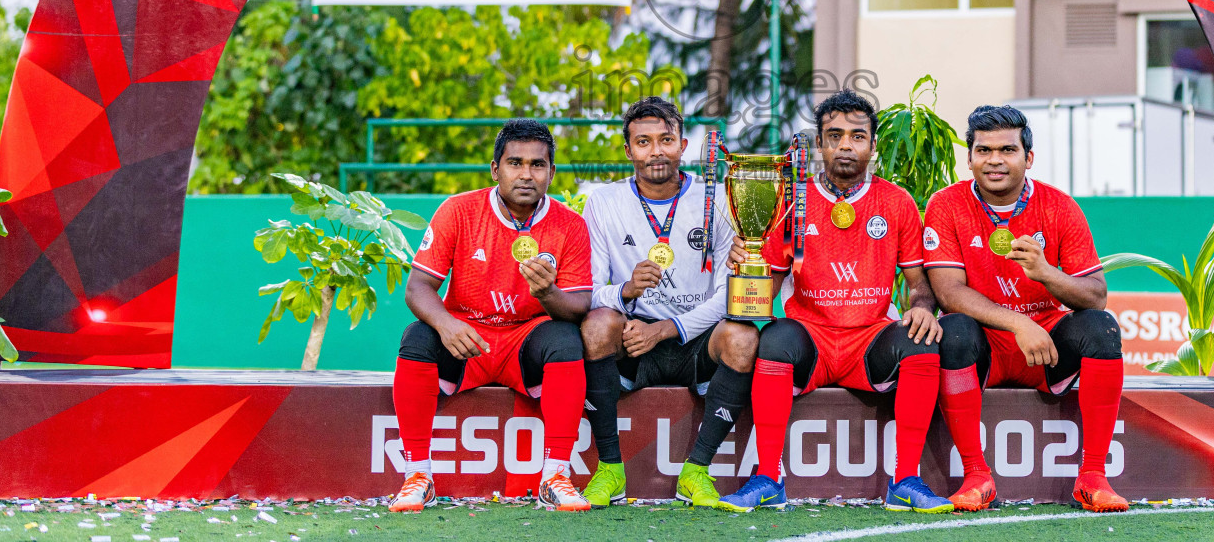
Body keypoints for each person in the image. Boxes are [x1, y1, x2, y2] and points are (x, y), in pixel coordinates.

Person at [717, 91, 954, 514]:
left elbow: (919, 283)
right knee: (775, 338)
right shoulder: (790, 200)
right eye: (835, 135)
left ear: (872, 145)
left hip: (870, 338)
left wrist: (921, 306)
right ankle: (768, 478)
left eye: (857, 136)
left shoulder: (896, 202)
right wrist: (747, 269)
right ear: (820, 143)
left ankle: (905, 480)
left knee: (920, 341)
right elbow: (769, 286)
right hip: (811, 337)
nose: (846, 145)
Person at [924, 104, 1128, 513]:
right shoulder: (946, 204)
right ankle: (977, 476)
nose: (994, 160)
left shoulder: (1059, 206)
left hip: (1045, 350)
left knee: (1102, 327)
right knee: (954, 329)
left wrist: (1046, 273)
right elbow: (948, 292)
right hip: (986, 347)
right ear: (969, 158)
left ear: (1028, 157)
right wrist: (1018, 323)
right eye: (983, 150)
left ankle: (1093, 476)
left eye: (1007, 149)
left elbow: (1096, 296)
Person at [387, 119, 593, 514]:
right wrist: (446, 323)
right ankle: (417, 477)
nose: (526, 174)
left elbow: (580, 305)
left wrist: (547, 293)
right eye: (515, 163)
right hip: (467, 338)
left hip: (526, 340)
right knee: (417, 337)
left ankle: (555, 477)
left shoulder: (570, 224)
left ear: (552, 172)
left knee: (567, 340)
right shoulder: (459, 210)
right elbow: (417, 288)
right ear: (496, 169)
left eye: (537, 164)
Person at [579, 97, 759, 508]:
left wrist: (666, 329)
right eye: (643, 142)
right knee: (596, 325)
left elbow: (727, 294)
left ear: (682, 145)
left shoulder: (718, 198)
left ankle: (697, 472)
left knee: (743, 337)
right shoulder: (603, 202)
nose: (656, 150)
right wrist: (625, 291)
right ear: (629, 150)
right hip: (634, 339)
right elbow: (588, 289)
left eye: (666, 139)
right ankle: (610, 469)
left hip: (696, 340)